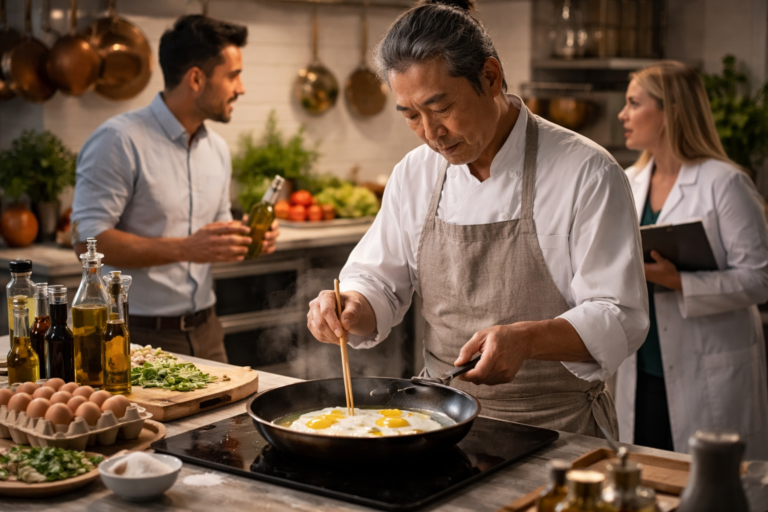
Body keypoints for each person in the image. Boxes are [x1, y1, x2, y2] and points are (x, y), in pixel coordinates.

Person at [305, 0, 649, 438]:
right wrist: (351, 306)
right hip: (437, 424)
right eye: (411, 115)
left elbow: (620, 314)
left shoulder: (587, 172)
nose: (431, 132)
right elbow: (379, 282)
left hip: (557, 428)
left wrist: (527, 340)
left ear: (490, 77)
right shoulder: (415, 172)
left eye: (441, 107)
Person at [70, 15, 279, 363]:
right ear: (196, 78)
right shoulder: (118, 140)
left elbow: (212, 242)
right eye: (233, 75)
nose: (240, 88)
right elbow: (87, 242)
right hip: (134, 334)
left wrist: (250, 238)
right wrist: (186, 248)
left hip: (207, 330)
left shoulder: (217, 150)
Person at [615, 61, 768, 459]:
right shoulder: (627, 183)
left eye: (634, 103)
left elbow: (760, 279)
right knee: (647, 479)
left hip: (708, 368)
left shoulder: (726, 183)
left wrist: (679, 281)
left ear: (671, 112)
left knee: (710, 487)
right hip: (643, 369)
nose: (622, 114)